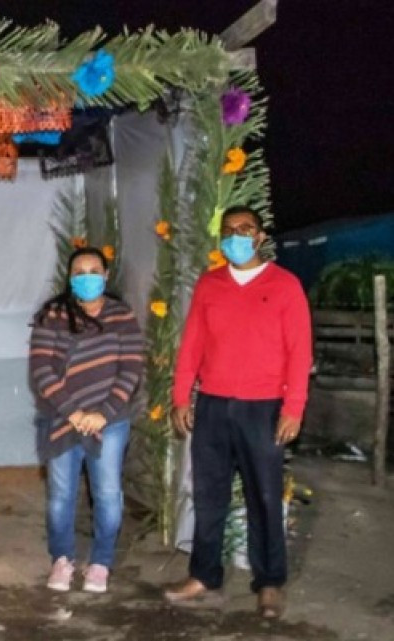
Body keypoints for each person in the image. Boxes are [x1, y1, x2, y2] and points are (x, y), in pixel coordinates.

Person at [164, 206, 312, 619]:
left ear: (260, 236)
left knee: (264, 497)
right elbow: (191, 344)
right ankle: (204, 574)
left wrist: (293, 408)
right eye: (229, 231)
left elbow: (299, 352)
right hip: (212, 405)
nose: (236, 236)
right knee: (208, 496)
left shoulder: (285, 286)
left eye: (245, 229)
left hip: (263, 409)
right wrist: (180, 397)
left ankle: (269, 582)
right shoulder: (209, 285)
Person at [29, 247, 144, 594]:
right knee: (61, 495)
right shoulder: (52, 315)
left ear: (106, 276)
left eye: (94, 271)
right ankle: (62, 559)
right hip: (62, 418)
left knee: (107, 494)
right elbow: (41, 369)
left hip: (110, 421)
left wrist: (103, 413)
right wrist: (74, 412)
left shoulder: (123, 318)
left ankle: (100, 563)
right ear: (70, 277)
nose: (87, 277)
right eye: (80, 271)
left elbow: (131, 368)